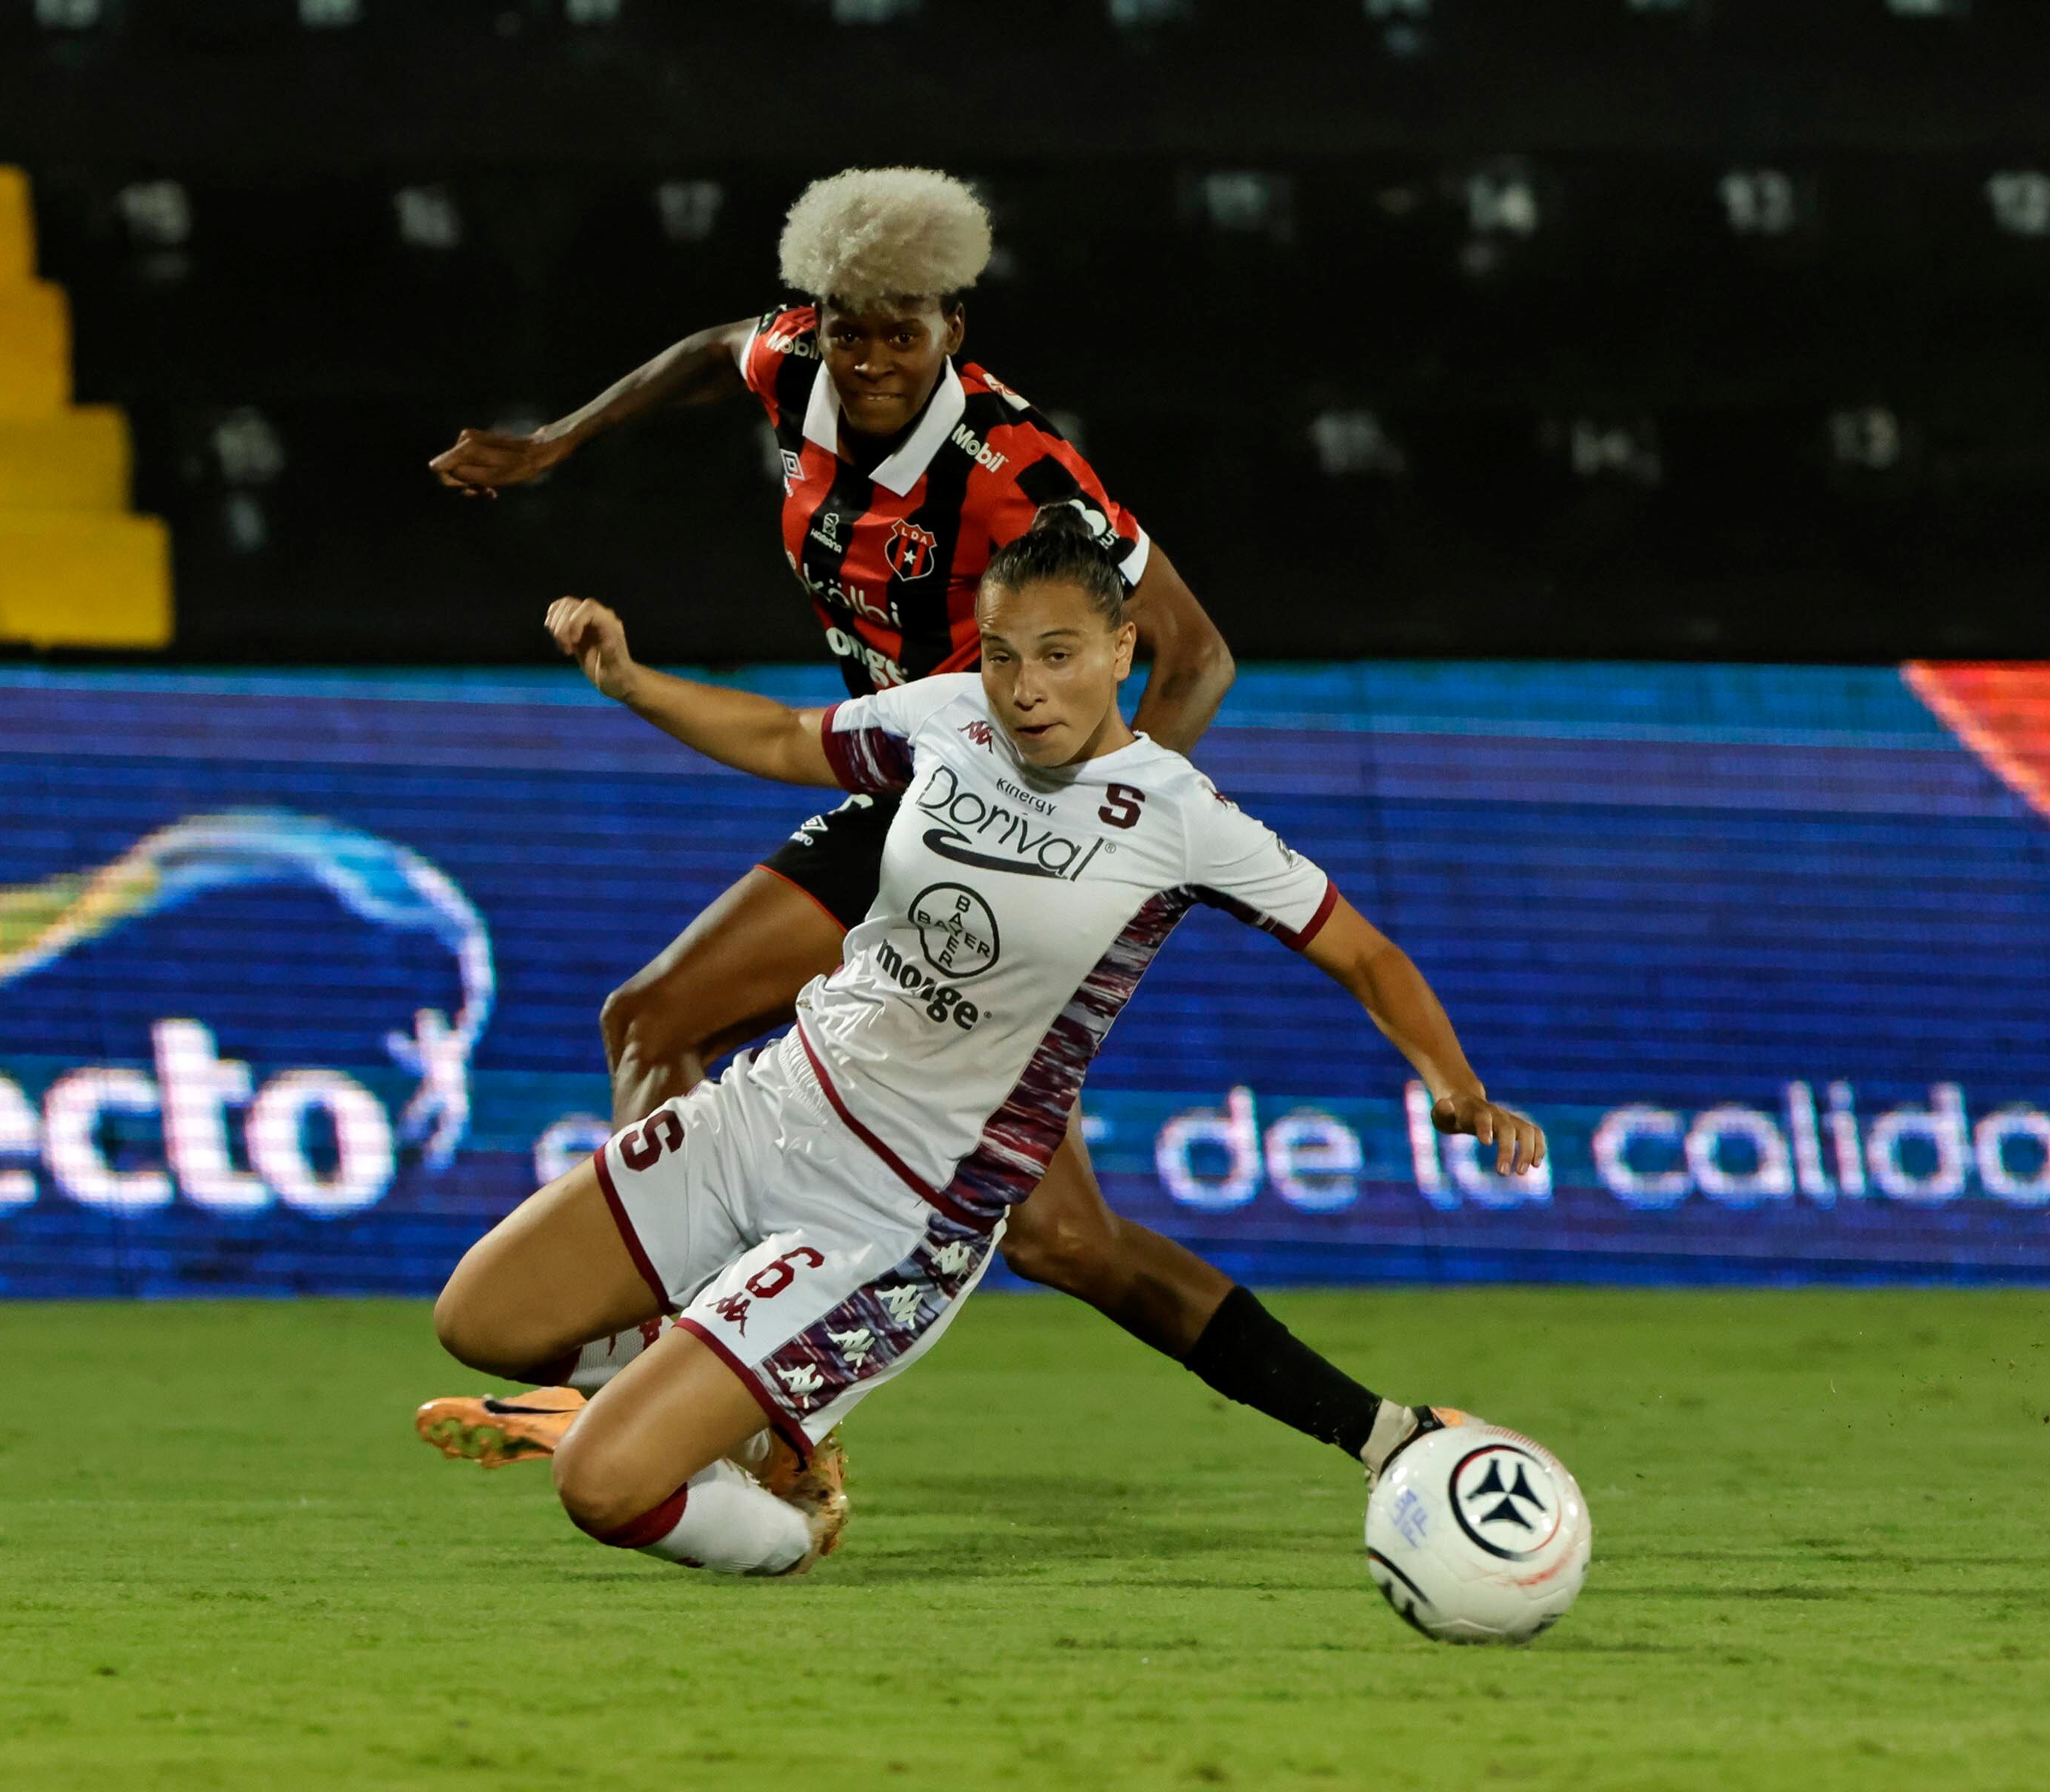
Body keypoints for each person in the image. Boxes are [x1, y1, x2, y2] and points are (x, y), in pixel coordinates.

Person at [418, 167, 1461, 1483]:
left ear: (951, 328)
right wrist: (560, 441)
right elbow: (709, 353)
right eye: (848, 328)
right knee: (656, 1020)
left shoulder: (1019, 473)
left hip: (994, 817)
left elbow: (1197, 658)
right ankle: (678, 1380)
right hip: (897, 792)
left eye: (899, 333)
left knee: (1064, 1242)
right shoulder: (801, 356)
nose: (865, 358)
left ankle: (1373, 1432)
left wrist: (1095, 834)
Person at [429, 509, 1545, 1575]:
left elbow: (1364, 953)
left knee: (601, 1487)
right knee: (479, 1318)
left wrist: (1457, 1086)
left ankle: (786, 1524)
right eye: (1006, 655)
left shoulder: (1180, 815)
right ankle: (727, 1423)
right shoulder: (950, 715)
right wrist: (630, 682)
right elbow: (779, 735)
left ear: (1121, 651)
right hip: (769, 1110)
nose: (1024, 689)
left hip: (894, 1212)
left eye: (1058, 656)